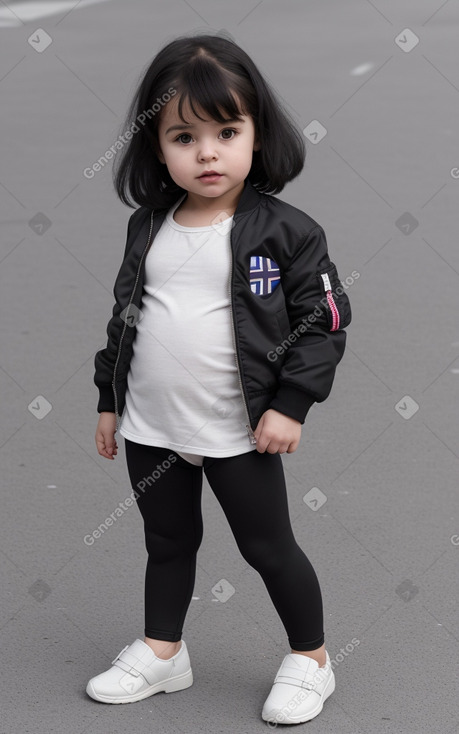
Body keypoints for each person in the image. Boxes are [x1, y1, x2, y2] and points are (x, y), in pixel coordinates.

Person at [86, 31, 352, 725]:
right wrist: (108, 400)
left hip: (242, 429)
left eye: (226, 130)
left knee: (266, 545)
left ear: (257, 135)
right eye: (182, 136)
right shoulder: (148, 227)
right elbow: (125, 318)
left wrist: (291, 403)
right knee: (166, 541)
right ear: (156, 148)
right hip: (153, 423)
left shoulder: (287, 232)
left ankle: (311, 659)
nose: (206, 152)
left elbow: (322, 322)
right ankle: (163, 650)